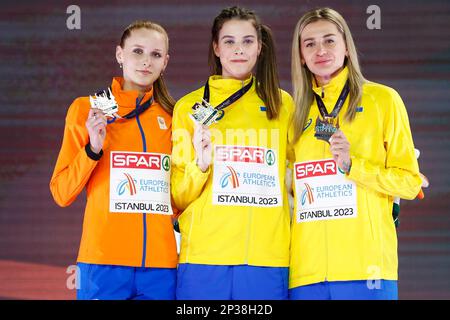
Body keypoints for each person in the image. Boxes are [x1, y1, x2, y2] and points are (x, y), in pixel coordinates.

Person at [288, 7, 423, 300]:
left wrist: (353, 166)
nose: (320, 50)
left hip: (367, 270)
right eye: (309, 44)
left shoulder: (382, 100)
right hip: (306, 272)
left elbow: (410, 183)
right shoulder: (294, 114)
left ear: (346, 46)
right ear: (300, 55)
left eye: (329, 40)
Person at [171, 6, 294, 300]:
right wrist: (200, 165)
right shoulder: (188, 107)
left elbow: (300, 176)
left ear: (260, 47)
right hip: (203, 255)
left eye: (247, 41)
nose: (238, 50)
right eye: (229, 41)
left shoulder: (282, 104)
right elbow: (177, 196)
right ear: (216, 47)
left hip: (266, 255)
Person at [50, 20, 178, 300]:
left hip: (161, 266)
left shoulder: (173, 118)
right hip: (103, 262)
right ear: (120, 54)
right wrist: (93, 150)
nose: (146, 61)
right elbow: (61, 192)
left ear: (165, 62)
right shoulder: (87, 109)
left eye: (156, 55)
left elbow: (177, 197)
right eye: (137, 51)